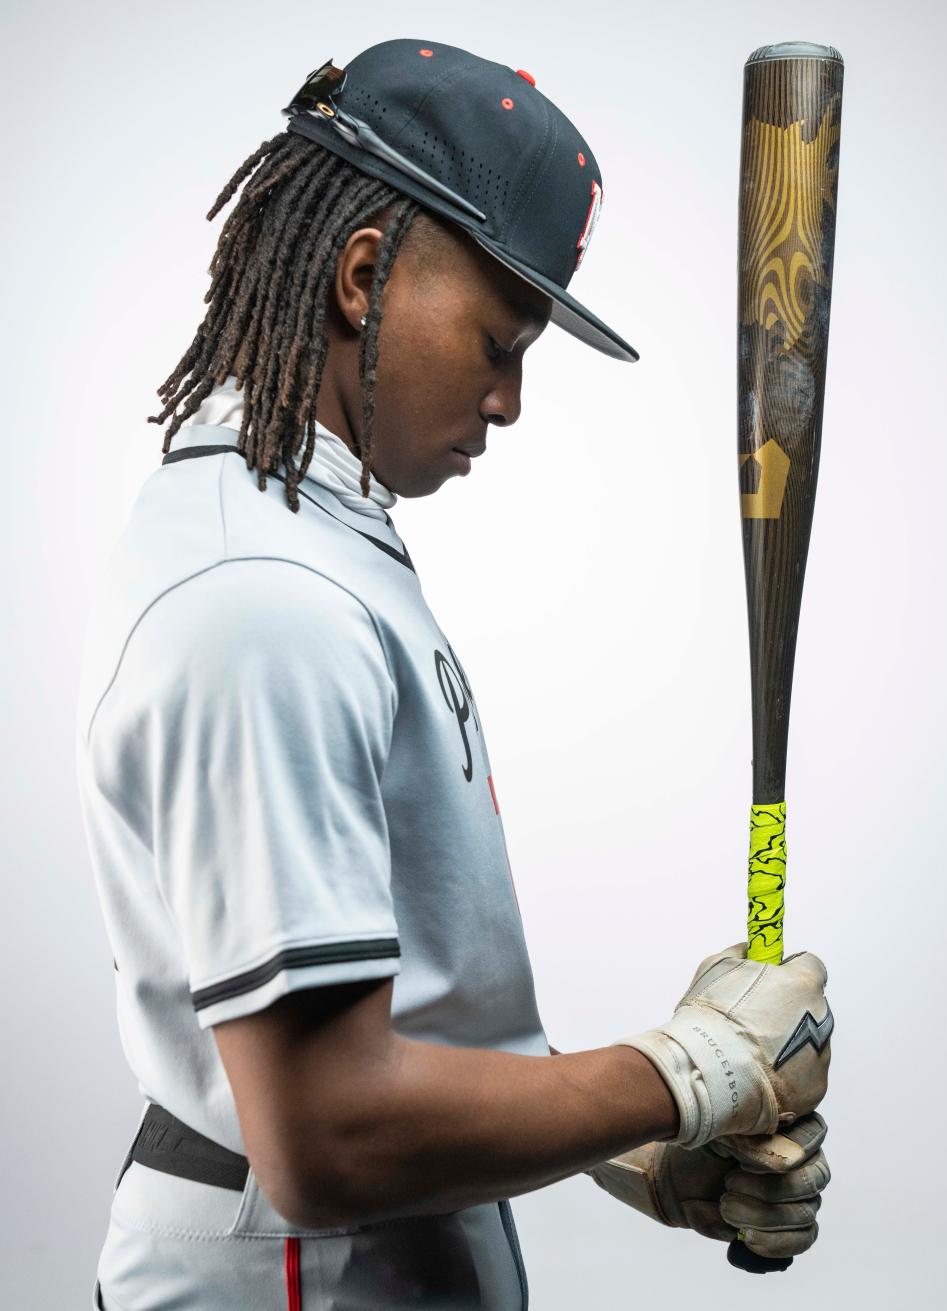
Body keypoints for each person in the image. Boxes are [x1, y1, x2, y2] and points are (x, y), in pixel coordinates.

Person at [74, 37, 832, 1311]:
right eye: (500, 338)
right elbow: (327, 1136)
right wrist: (689, 1072)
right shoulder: (263, 601)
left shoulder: (316, 541)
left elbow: (412, 1027)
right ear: (364, 277)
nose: (511, 400)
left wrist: (637, 1146)